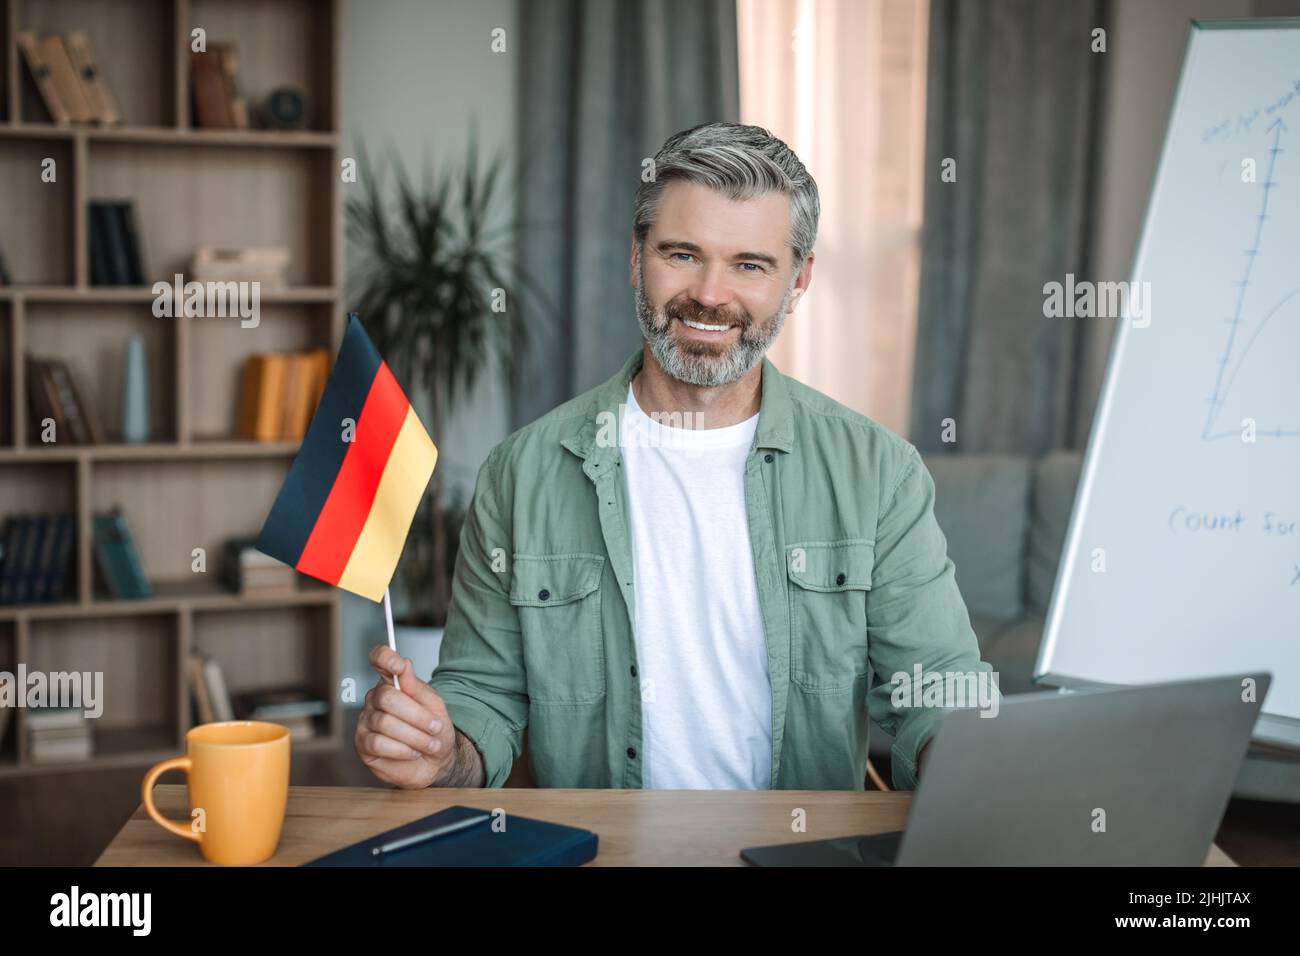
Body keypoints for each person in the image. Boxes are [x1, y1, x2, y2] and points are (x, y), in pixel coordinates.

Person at [355, 122, 998, 791]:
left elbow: (939, 688)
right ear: (637, 258)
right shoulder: (521, 474)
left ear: (798, 280)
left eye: (750, 264)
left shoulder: (879, 473)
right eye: (682, 254)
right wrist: (438, 752)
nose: (711, 295)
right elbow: (481, 703)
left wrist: (978, 765)